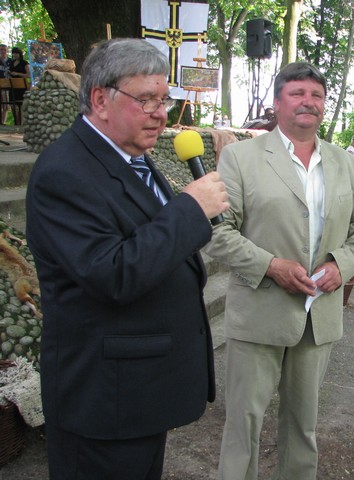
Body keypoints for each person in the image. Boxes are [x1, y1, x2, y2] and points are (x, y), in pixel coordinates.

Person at [25, 38, 229, 480]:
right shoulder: (64, 172)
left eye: (164, 99)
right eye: (147, 100)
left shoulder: (130, 156)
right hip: (103, 403)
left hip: (138, 395)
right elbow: (112, 273)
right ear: (101, 99)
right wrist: (190, 209)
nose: (160, 113)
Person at [204, 62, 354, 480]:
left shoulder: (344, 162)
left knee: (303, 426)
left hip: (317, 317)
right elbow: (218, 232)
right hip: (259, 312)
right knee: (243, 424)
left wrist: (341, 265)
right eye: (298, 93)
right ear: (277, 102)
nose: (308, 102)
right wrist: (271, 266)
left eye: (316, 95)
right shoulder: (240, 157)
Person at [7, 46, 30, 125]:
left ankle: (21, 123)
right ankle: (16, 122)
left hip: (21, 87)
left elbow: (29, 75)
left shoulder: (24, 63)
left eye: (16, 53)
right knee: (13, 105)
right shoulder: (12, 63)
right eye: (13, 53)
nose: (15, 55)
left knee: (21, 105)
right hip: (12, 86)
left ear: (20, 54)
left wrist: (17, 74)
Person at [0, 44, 9, 124]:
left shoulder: (11, 61)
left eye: (4, 50)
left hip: (6, 85)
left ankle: (3, 122)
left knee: (6, 105)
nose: (3, 51)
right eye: (1, 49)